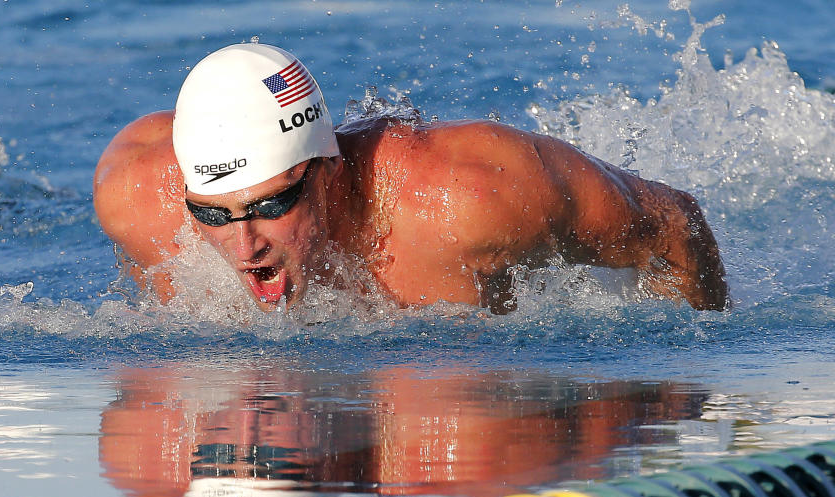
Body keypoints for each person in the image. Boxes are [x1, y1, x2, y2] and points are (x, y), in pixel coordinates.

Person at [94, 43, 728, 315]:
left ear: (328, 170)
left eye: (272, 203)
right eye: (212, 214)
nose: (243, 247)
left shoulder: (471, 197)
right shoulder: (135, 197)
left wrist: (687, 389)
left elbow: (673, 224)